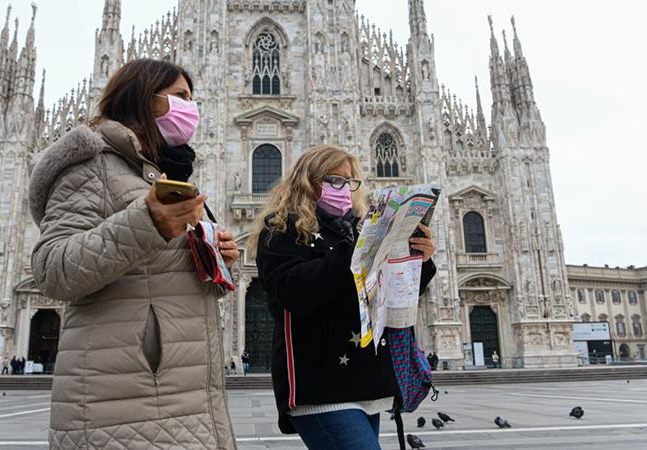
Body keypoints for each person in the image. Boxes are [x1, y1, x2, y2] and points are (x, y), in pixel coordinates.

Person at [29, 58, 238, 449]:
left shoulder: (166, 172)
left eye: (192, 99)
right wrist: (148, 224)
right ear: (145, 98)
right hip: (123, 399)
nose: (190, 108)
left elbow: (157, 276)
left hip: (185, 394)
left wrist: (216, 261)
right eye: (180, 97)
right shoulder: (92, 165)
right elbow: (51, 269)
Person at [253, 145, 437, 449]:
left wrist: (419, 260)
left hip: (363, 379)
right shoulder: (280, 230)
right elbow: (293, 292)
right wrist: (358, 250)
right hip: (319, 384)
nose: (344, 189)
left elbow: (386, 296)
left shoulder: (353, 229)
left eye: (349, 182)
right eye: (334, 180)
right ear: (309, 183)